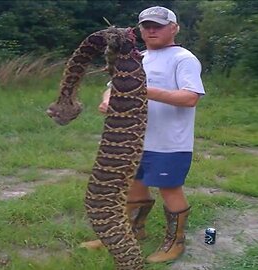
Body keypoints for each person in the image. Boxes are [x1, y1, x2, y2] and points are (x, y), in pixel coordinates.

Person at [81, 6, 205, 263]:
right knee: (133, 186)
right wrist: (108, 100)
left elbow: (190, 98)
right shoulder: (137, 57)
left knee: (169, 188)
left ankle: (175, 243)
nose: (151, 30)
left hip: (169, 142)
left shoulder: (183, 58)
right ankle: (128, 234)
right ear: (139, 30)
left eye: (158, 25)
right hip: (131, 141)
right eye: (146, 26)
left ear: (174, 28)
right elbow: (113, 85)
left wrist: (144, 91)